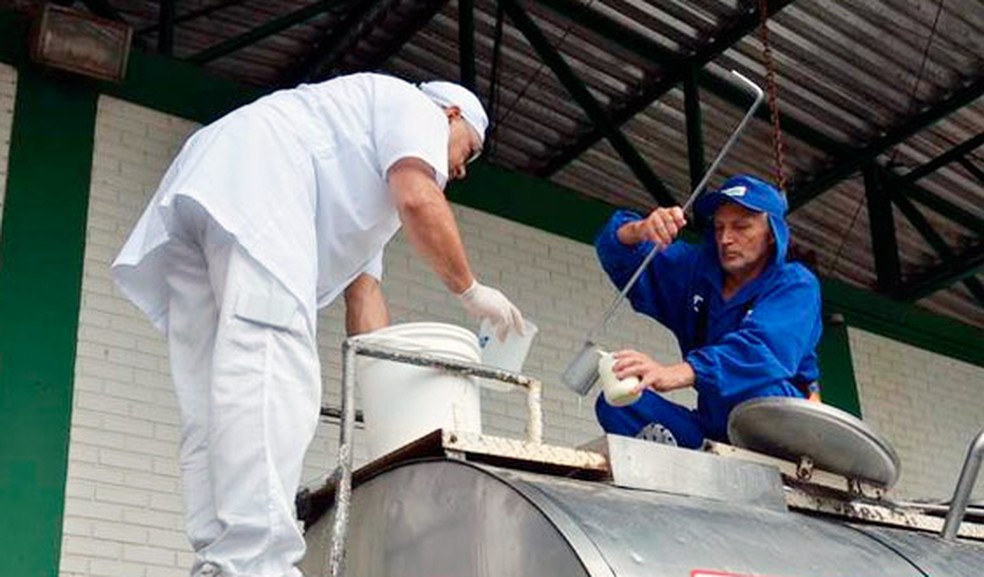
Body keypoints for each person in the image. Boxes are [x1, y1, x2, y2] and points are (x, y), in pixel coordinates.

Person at [111, 73, 525, 577]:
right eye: (470, 152)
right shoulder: (414, 110)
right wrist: (471, 290)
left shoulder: (368, 182)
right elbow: (420, 198)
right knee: (276, 373)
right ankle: (258, 564)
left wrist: (385, 396)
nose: (460, 170)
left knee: (213, 399)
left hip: (212, 197)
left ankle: (219, 560)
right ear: (452, 116)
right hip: (262, 185)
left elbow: (364, 296)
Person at [593, 174, 822, 449]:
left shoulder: (795, 283)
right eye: (719, 227)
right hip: (715, 432)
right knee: (617, 405)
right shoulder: (696, 272)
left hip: (779, 432)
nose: (726, 239)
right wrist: (640, 230)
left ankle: (715, 461)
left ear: (772, 234)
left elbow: (761, 353)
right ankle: (694, 461)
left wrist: (678, 372)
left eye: (741, 227)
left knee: (755, 391)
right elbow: (623, 255)